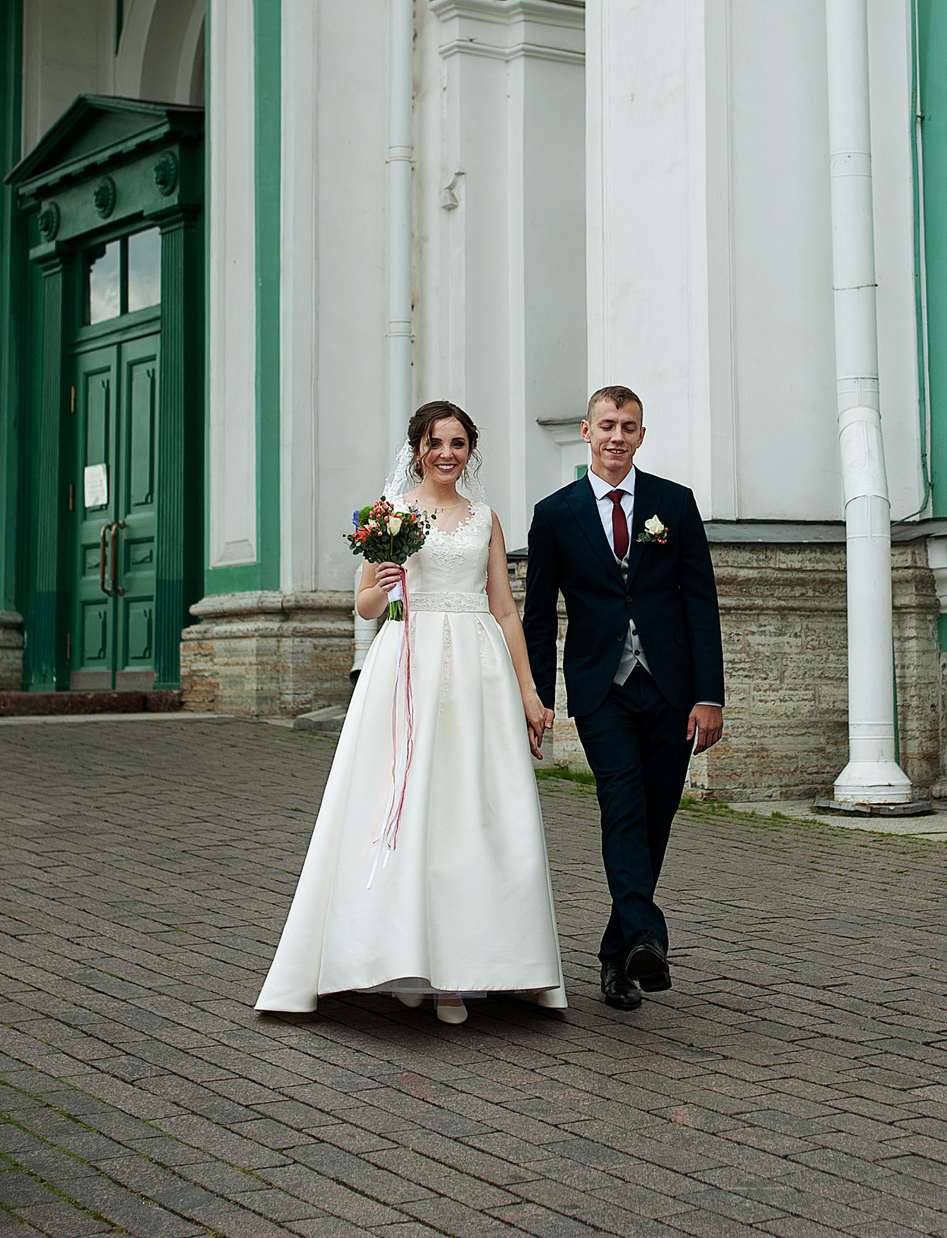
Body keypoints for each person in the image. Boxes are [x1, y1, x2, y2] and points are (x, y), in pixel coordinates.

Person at [256, 401, 567, 1022]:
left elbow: (506, 609)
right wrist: (383, 584)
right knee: (404, 803)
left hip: (477, 671)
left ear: (470, 450)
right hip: (408, 664)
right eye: (435, 443)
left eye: (457, 443)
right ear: (417, 448)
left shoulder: (485, 518)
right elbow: (366, 607)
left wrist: (530, 693)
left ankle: (459, 972)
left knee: (469, 810)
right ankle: (403, 958)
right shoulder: (390, 513)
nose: (446, 454)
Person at [522, 386, 724, 1013]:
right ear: (586, 431)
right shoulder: (554, 514)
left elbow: (701, 603)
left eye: (628, 427)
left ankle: (619, 954)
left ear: (641, 434)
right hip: (600, 689)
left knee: (655, 819)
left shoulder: (674, 503)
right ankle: (647, 935)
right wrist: (536, 698)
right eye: (606, 425)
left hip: (671, 689)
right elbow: (538, 618)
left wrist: (709, 696)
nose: (617, 436)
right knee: (623, 806)